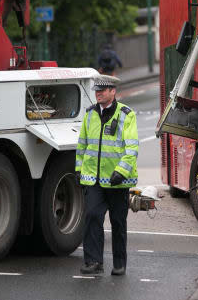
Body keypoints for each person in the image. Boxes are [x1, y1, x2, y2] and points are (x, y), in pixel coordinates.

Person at [75, 75, 138, 276]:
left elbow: (132, 148)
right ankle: (93, 261)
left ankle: (119, 263)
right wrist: (79, 168)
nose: (98, 93)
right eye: (96, 90)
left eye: (103, 90)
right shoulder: (90, 114)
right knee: (92, 216)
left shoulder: (126, 115)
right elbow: (82, 145)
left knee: (118, 222)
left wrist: (121, 171)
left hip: (117, 180)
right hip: (93, 179)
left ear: (113, 91)